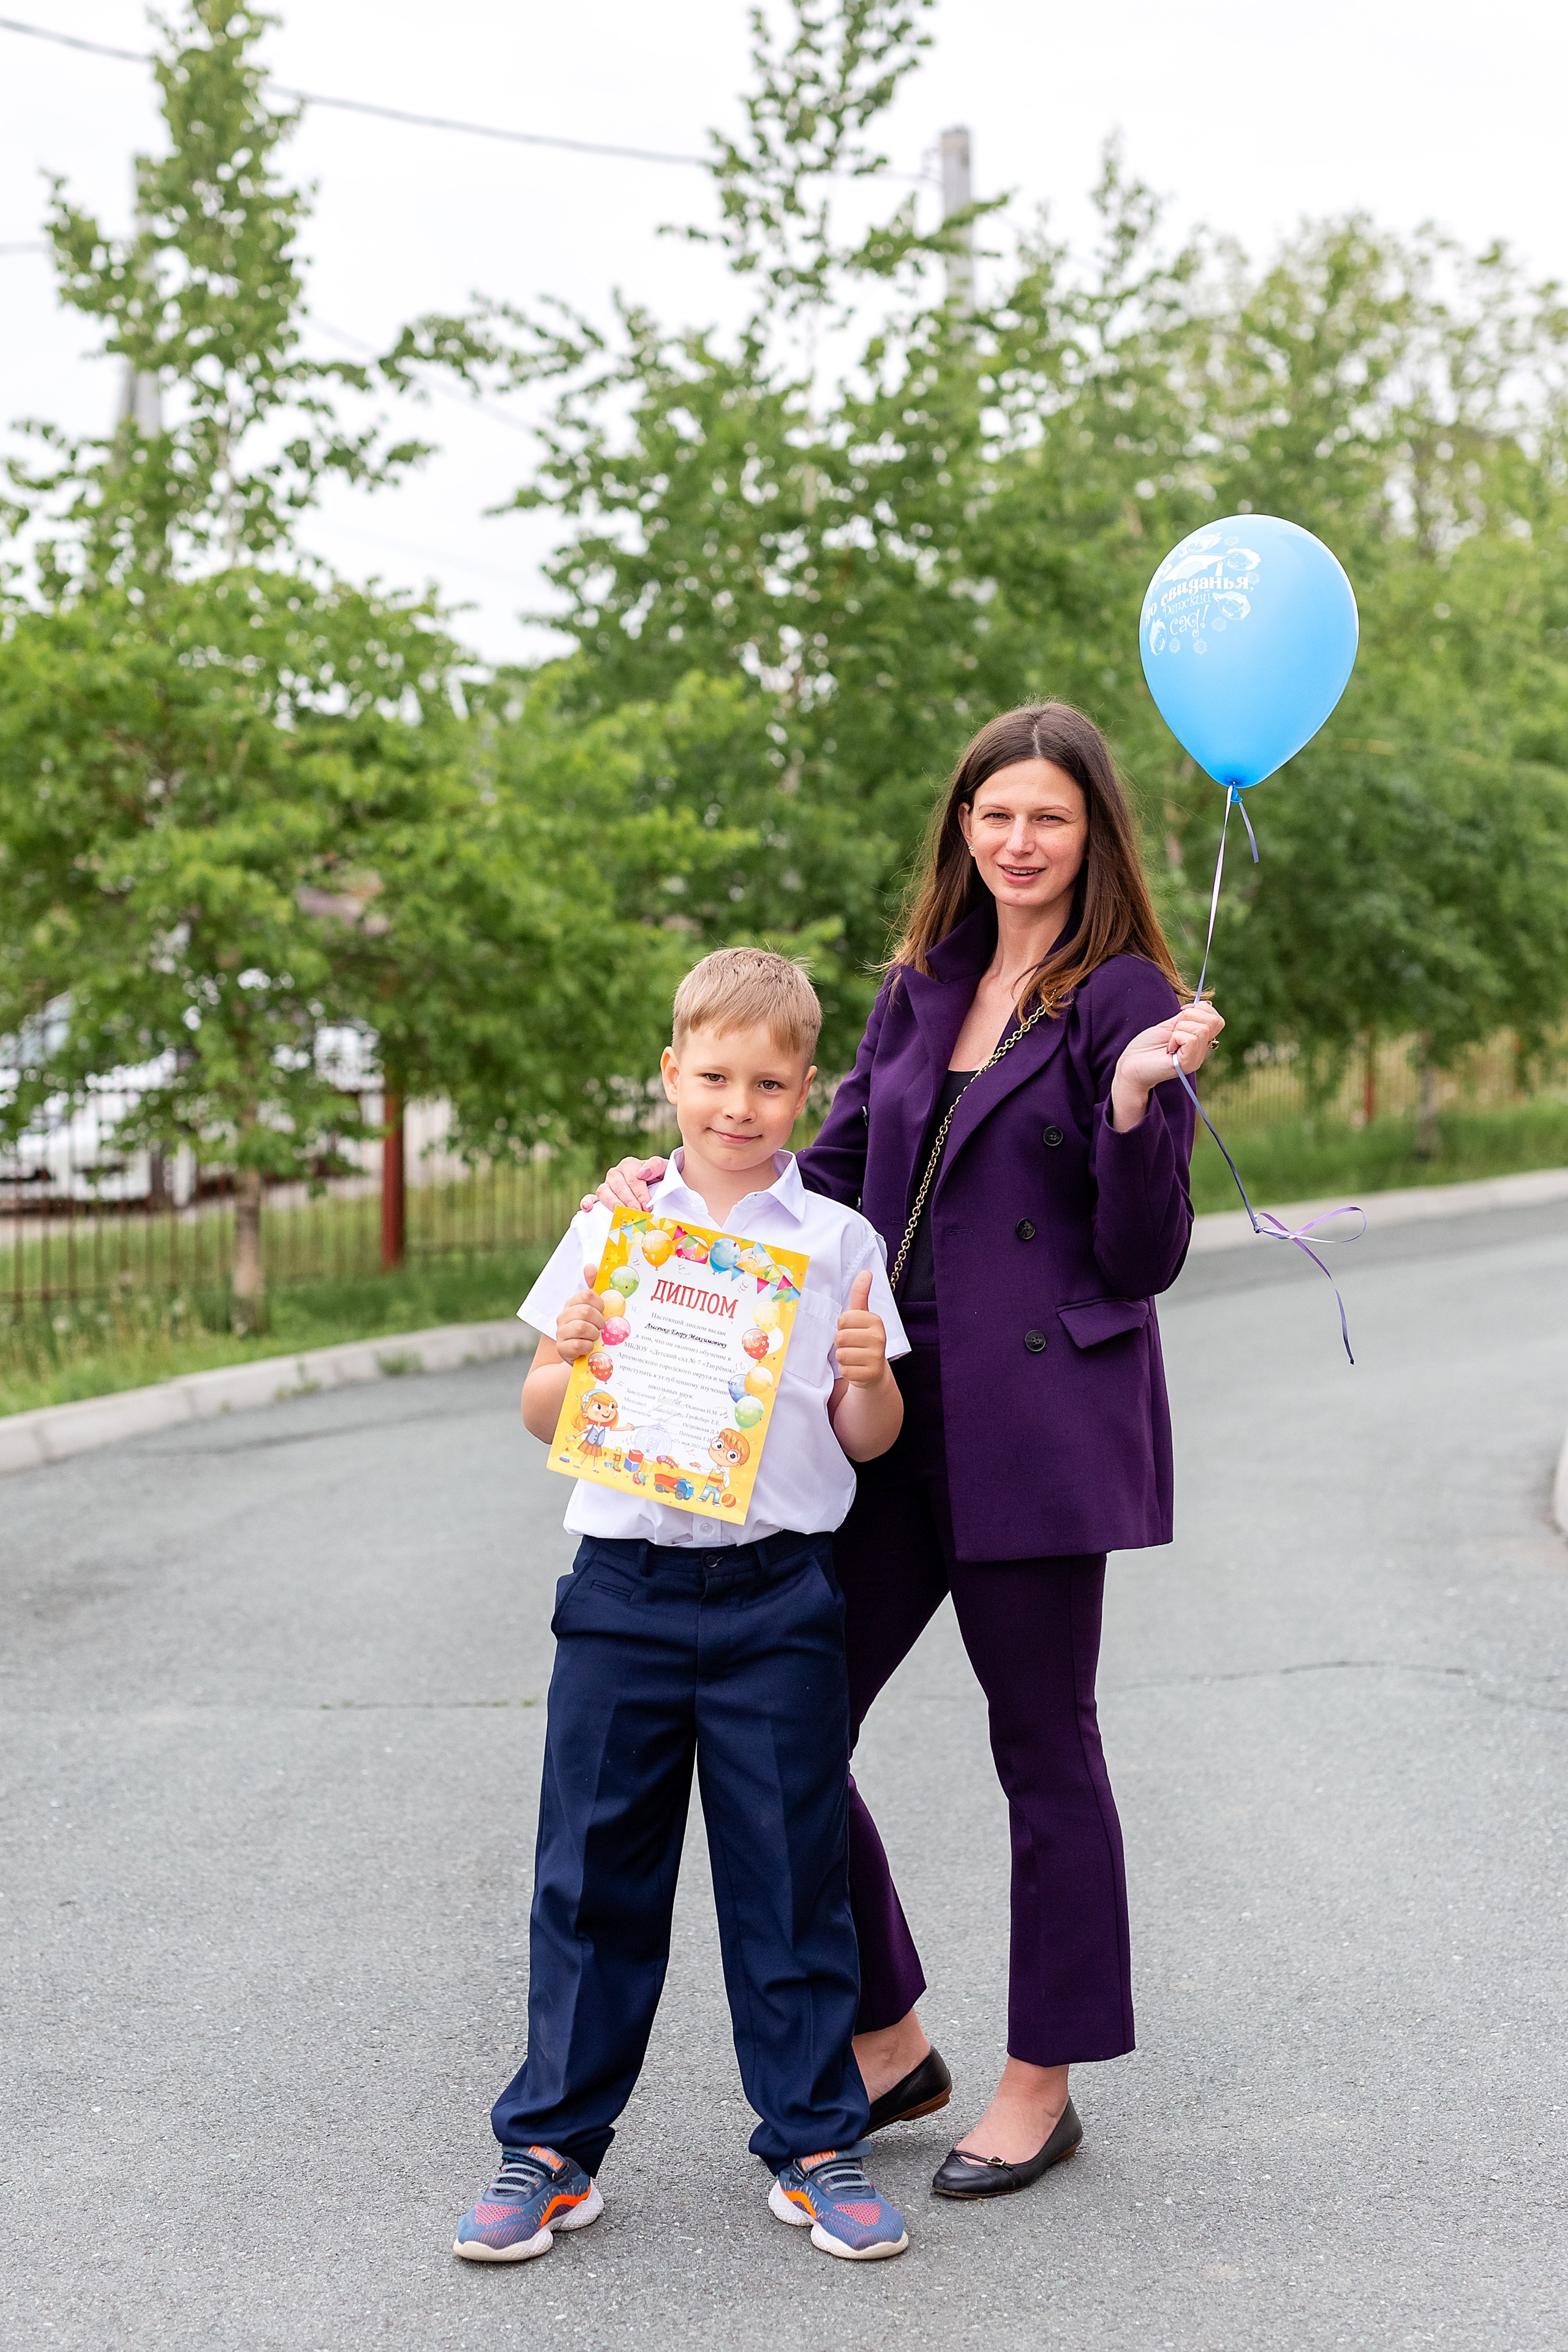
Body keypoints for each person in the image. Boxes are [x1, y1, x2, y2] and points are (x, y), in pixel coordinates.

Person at [589, 703, 1224, 2203]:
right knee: (787, 1724)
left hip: (1037, 1428)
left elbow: (1143, 1258)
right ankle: (890, 2038)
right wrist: (677, 1196)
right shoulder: (919, 982)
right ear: (961, 826)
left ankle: (1037, 2082)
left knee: (1041, 1746)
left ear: (1091, 837)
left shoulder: (1125, 990)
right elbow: (823, 1173)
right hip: (879, 1411)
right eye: (992, 814)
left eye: (1047, 819)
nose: (1015, 842)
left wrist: (1136, 1102)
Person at [453, 948, 914, 2267]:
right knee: (591, 1878)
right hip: (622, 1593)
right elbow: (541, 1408)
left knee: (789, 1879)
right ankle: (548, 2149)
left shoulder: (836, 1243)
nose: (738, 1104)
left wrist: (867, 1371)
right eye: (712, 1076)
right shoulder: (618, 1224)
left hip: (776, 1596)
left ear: (805, 1090)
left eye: (769, 1082)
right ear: (670, 1075)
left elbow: (867, 1438)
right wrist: (576, 1353)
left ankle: (815, 2141)